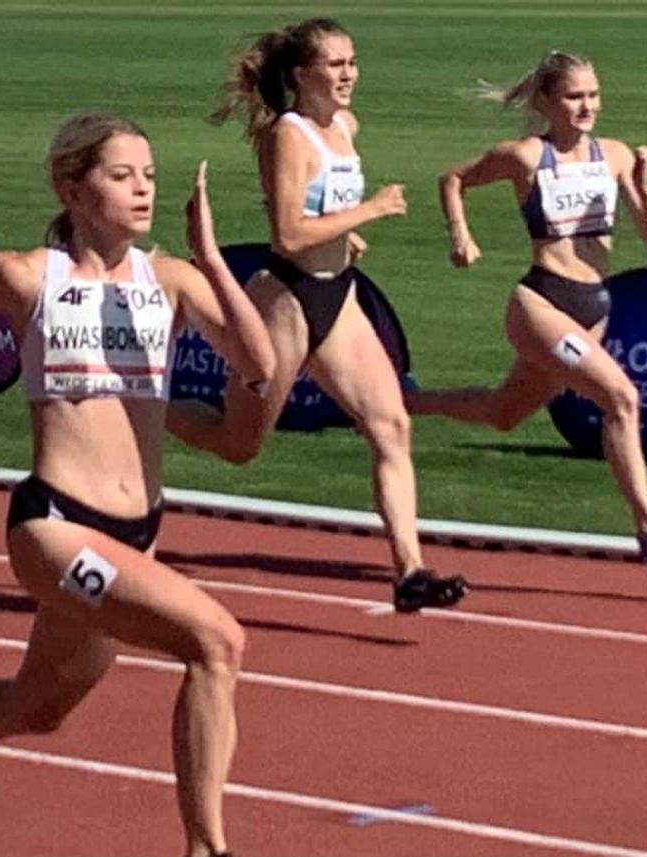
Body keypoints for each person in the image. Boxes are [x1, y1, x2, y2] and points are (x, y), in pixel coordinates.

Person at [0, 113, 275, 857]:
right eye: (121, 175)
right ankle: (207, 847)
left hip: (137, 531)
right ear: (72, 188)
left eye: (150, 176)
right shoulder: (29, 275)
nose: (142, 189)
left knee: (36, 707)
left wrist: (209, 256)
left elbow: (259, 366)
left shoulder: (169, 280)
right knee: (216, 640)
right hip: (55, 525)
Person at [166, 17, 466, 612]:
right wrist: (371, 212)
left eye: (352, 62)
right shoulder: (288, 136)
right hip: (286, 299)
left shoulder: (347, 127)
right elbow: (287, 233)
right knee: (238, 443)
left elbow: (324, 210)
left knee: (390, 425)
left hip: (339, 295)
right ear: (303, 75)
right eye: (334, 64)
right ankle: (141, 402)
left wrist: (348, 237)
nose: (348, 74)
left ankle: (409, 569)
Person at [405, 50, 647, 562]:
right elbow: (453, 178)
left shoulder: (614, 155)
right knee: (621, 398)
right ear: (546, 101)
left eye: (593, 95)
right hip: (542, 303)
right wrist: (461, 235)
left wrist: (645, 190)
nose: (586, 106)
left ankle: (401, 401)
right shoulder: (524, 156)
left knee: (504, 413)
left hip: (594, 305)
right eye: (574, 96)